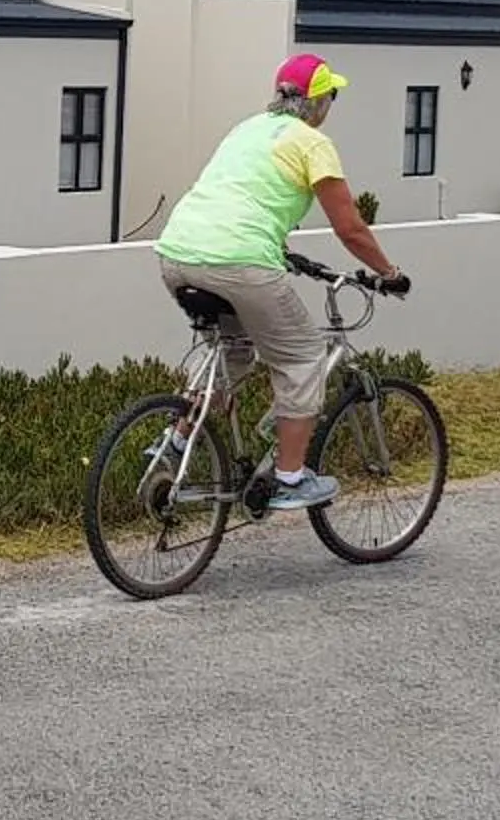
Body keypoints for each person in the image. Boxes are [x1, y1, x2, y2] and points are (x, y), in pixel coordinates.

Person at [154, 53, 405, 508]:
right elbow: (350, 228)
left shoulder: (245, 129)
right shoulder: (312, 143)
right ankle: (289, 477)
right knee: (304, 357)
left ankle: (174, 439)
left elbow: (239, 197)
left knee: (232, 352)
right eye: (332, 95)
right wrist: (390, 274)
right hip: (240, 261)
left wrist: (279, 250)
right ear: (320, 101)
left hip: (176, 254)